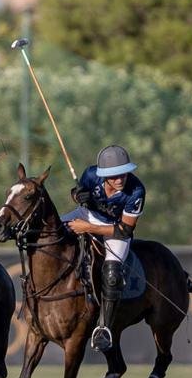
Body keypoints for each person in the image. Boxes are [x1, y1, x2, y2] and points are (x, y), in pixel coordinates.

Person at [62, 145, 145, 352]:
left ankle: (104, 327)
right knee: (50, 233)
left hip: (113, 230)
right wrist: (77, 196)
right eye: (114, 175)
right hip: (85, 215)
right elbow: (77, 193)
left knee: (112, 273)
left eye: (123, 174)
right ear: (104, 176)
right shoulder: (91, 174)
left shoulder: (136, 191)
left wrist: (88, 228)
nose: (119, 179)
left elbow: (125, 230)